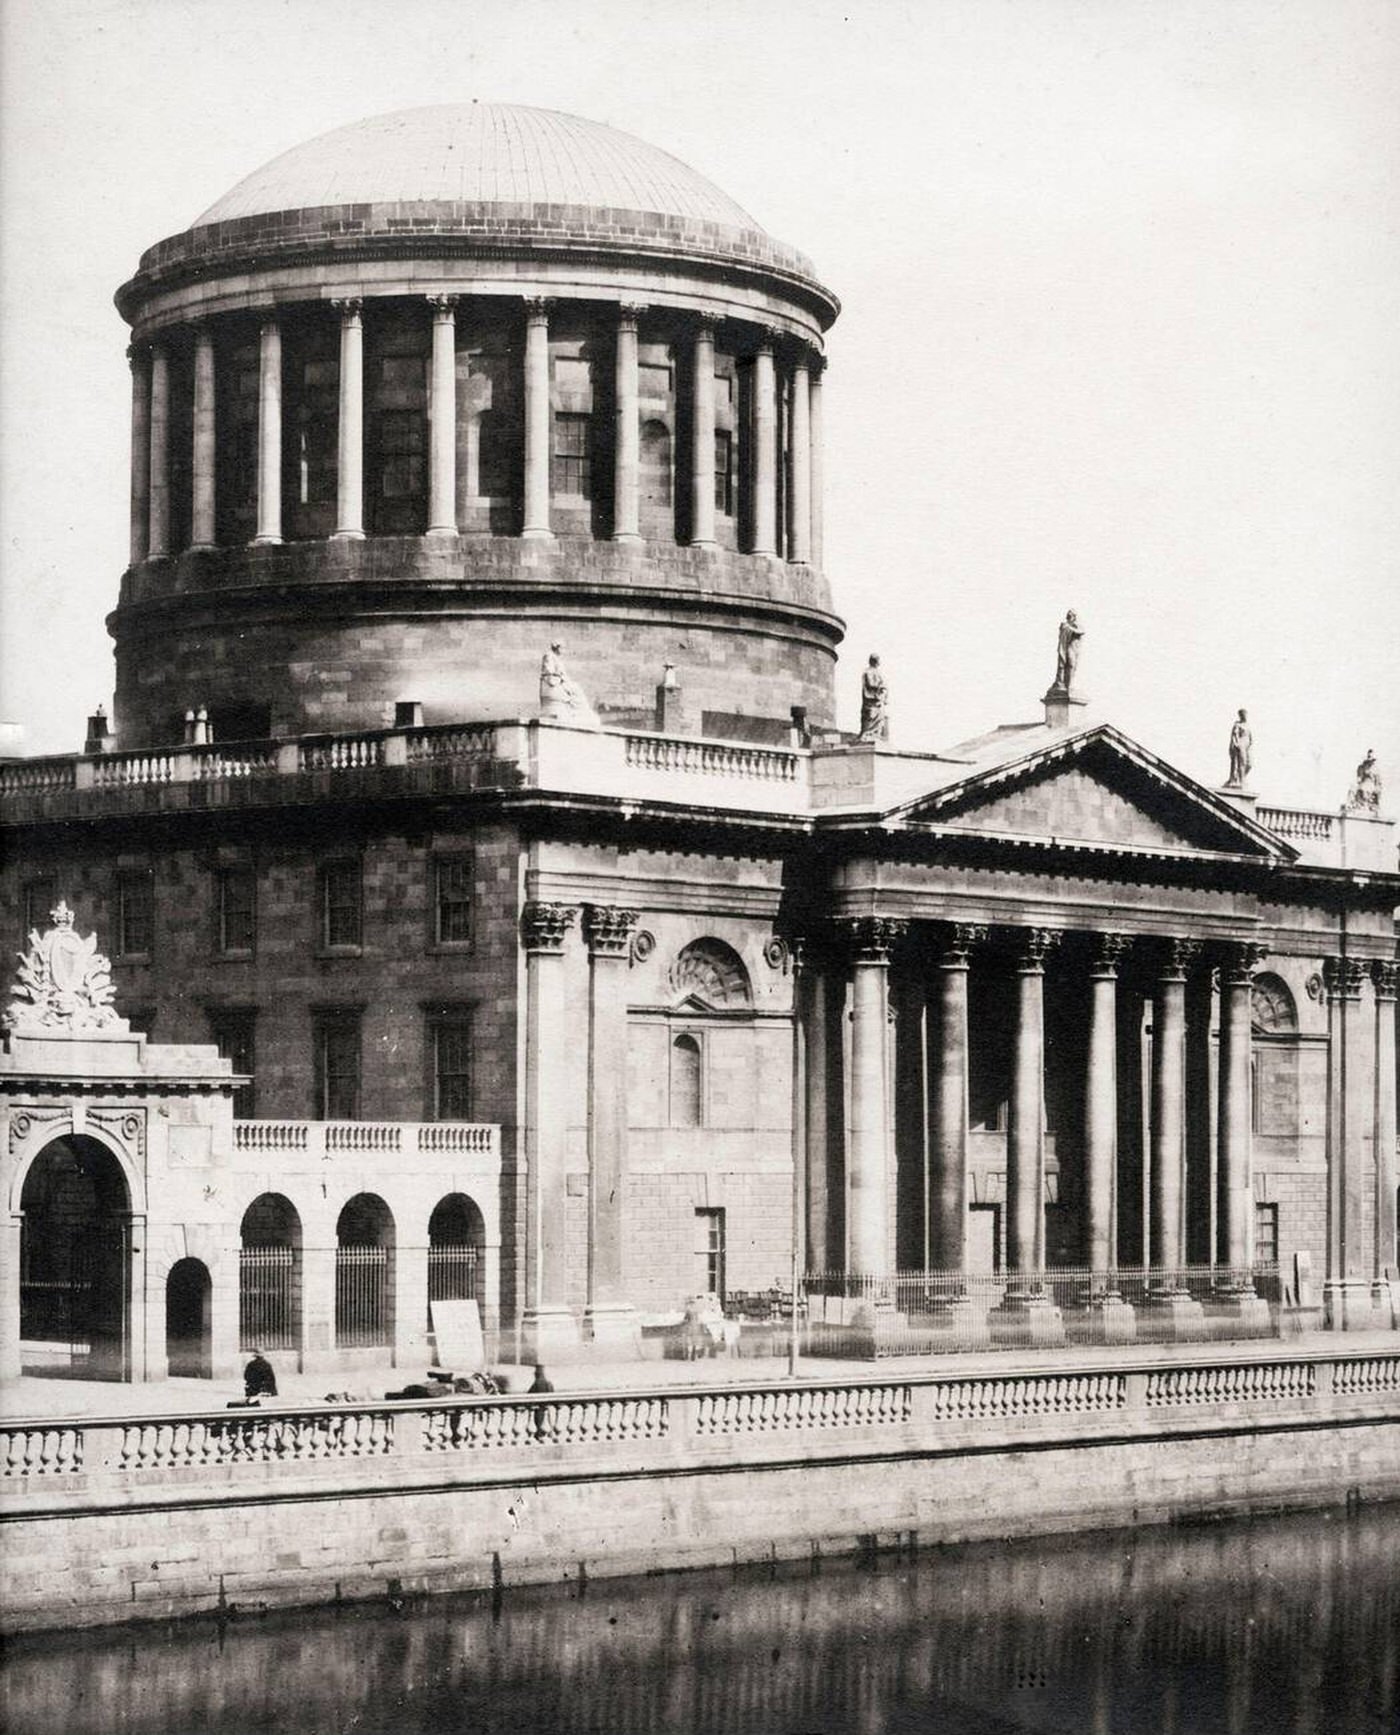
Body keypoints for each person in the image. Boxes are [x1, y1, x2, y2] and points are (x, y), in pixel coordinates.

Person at [858, 654, 889, 742]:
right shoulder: (868, 672)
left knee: (880, 718)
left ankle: (875, 734)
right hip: (871, 699)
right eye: (878, 660)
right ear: (875, 661)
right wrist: (881, 686)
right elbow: (870, 684)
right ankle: (868, 733)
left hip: (878, 700)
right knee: (870, 717)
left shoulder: (877, 672)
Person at [1054, 610, 1083, 691]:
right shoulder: (1064, 625)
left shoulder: (1076, 626)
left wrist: (1070, 628)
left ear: (1074, 617)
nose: (1069, 617)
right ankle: (1061, 683)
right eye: (1068, 615)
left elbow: (1081, 631)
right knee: (1064, 664)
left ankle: (1069, 684)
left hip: (1074, 649)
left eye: (1071, 615)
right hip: (1066, 647)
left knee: (1072, 665)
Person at [1227, 709, 1252, 789]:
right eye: (1243, 714)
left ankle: (1239, 778)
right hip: (1240, 744)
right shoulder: (1237, 725)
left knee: (1249, 764)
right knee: (1241, 763)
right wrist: (1236, 744)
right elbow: (1234, 735)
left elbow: (1251, 738)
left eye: (1246, 714)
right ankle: (1240, 781)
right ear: (1240, 715)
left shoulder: (1248, 725)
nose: (1245, 716)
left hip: (1247, 746)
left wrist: (1250, 744)